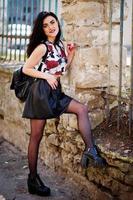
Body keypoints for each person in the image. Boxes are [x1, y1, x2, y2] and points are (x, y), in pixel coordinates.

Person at [22, 11, 106, 197]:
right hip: (40, 94)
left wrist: (70, 55)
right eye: (45, 25)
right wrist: (46, 75)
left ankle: (90, 150)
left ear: (57, 23)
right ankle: (33, 179)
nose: (51, 26)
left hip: (55, 92)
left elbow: (62, 68)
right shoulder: (42, 47)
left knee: (81, 109)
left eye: (53, 22)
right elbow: (26, 68)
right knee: (36, 136)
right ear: (42, 30)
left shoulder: (58, 45)